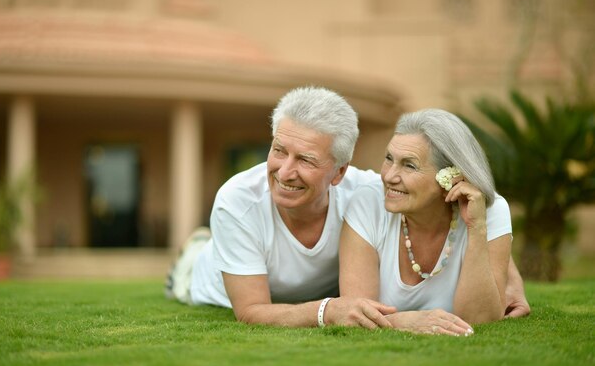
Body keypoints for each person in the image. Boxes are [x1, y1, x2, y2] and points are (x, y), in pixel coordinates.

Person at [165, 87, 530, 330]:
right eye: (279, 150)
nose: (285, 171)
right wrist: (329, 310)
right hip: (216, 283)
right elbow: (249, 311)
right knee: (191, 271)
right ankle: (195, 252)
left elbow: (470, 222)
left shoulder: (371, 191)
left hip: (314, 290)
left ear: (340, 172)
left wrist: (505, 269)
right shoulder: (237, 201)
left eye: (305, 159)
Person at [338, 108, 515, 335]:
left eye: (409, 165)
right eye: (389, 159)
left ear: (451, 176)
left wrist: (476, 227)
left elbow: (480, 319)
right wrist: (408, 322)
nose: (389, 176)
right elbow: (357, 312)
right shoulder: (368, 203)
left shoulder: (490, 211)